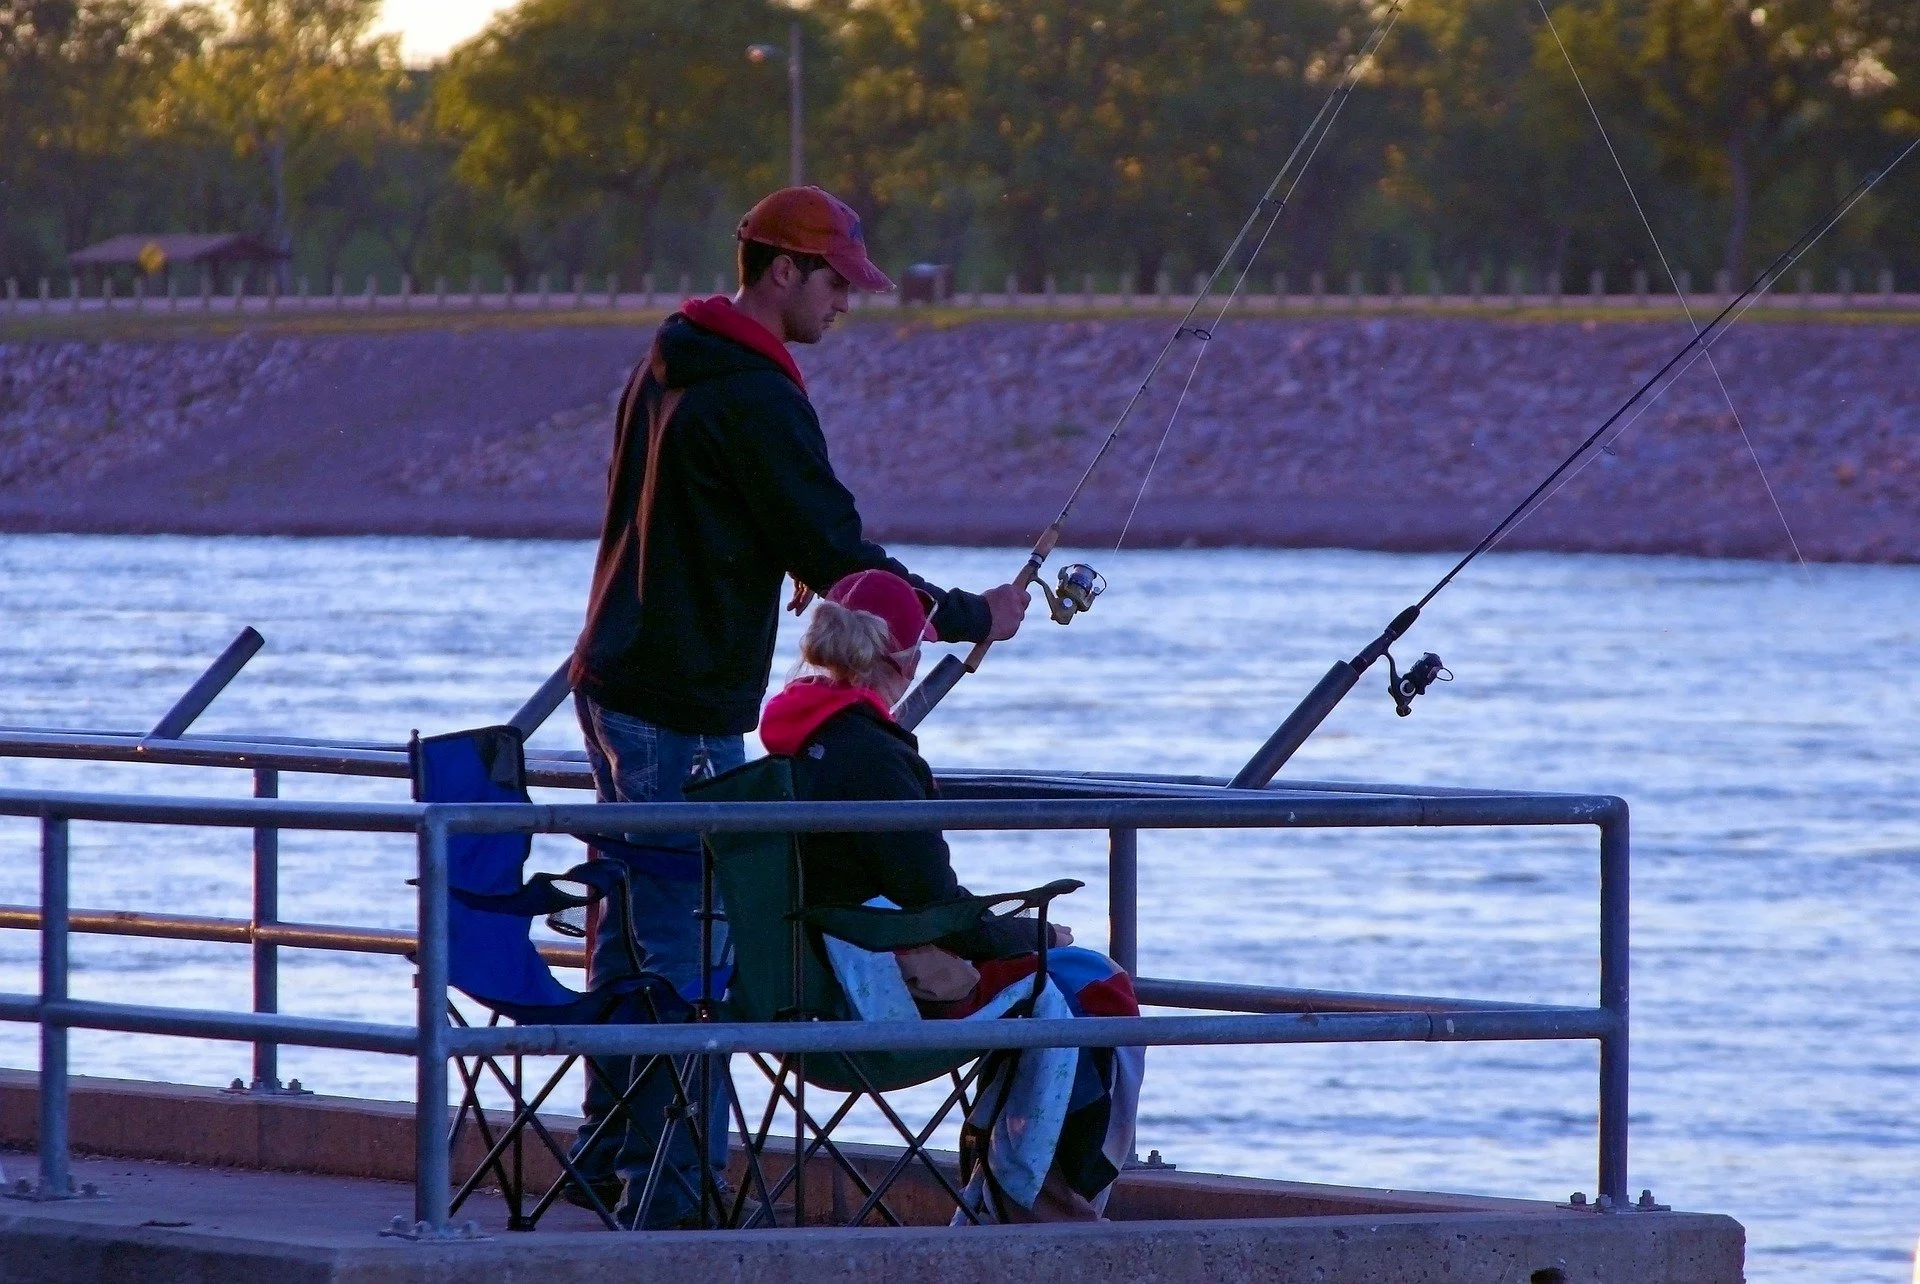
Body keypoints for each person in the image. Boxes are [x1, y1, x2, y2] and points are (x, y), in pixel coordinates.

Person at [566, 185, 1032, 1224]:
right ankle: (677, 1197)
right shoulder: (757, 397)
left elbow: (734, 522)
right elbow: (835, 554)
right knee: (692, 948)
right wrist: (971, 614)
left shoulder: (671, 356)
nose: (848, 302)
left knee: (630, 933)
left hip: (614, 679)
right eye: (837, 282)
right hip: (678, 701)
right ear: (783, 271)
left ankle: (606, 1160)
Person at [758, 569, 1143, 1223]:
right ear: (901, 660)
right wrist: (1038, 935)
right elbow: (940, 908)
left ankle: (1011, 1192)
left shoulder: (789, 741)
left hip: (809, 983)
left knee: (1056, 988)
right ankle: (1042, 1205)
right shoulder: (872, 759)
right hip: (878, 992)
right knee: (1094, 987)